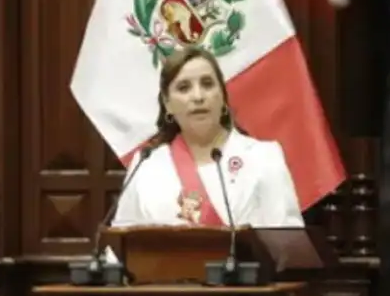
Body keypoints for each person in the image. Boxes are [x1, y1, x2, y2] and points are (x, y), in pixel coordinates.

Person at [112, 47, 304, 228]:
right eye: (184, 87)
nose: (198, 96)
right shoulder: (146, 164)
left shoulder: (264, 158)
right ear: (167, 104)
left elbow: (288, 245)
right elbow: (120, 249)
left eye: (207, 84)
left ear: (222, 97)